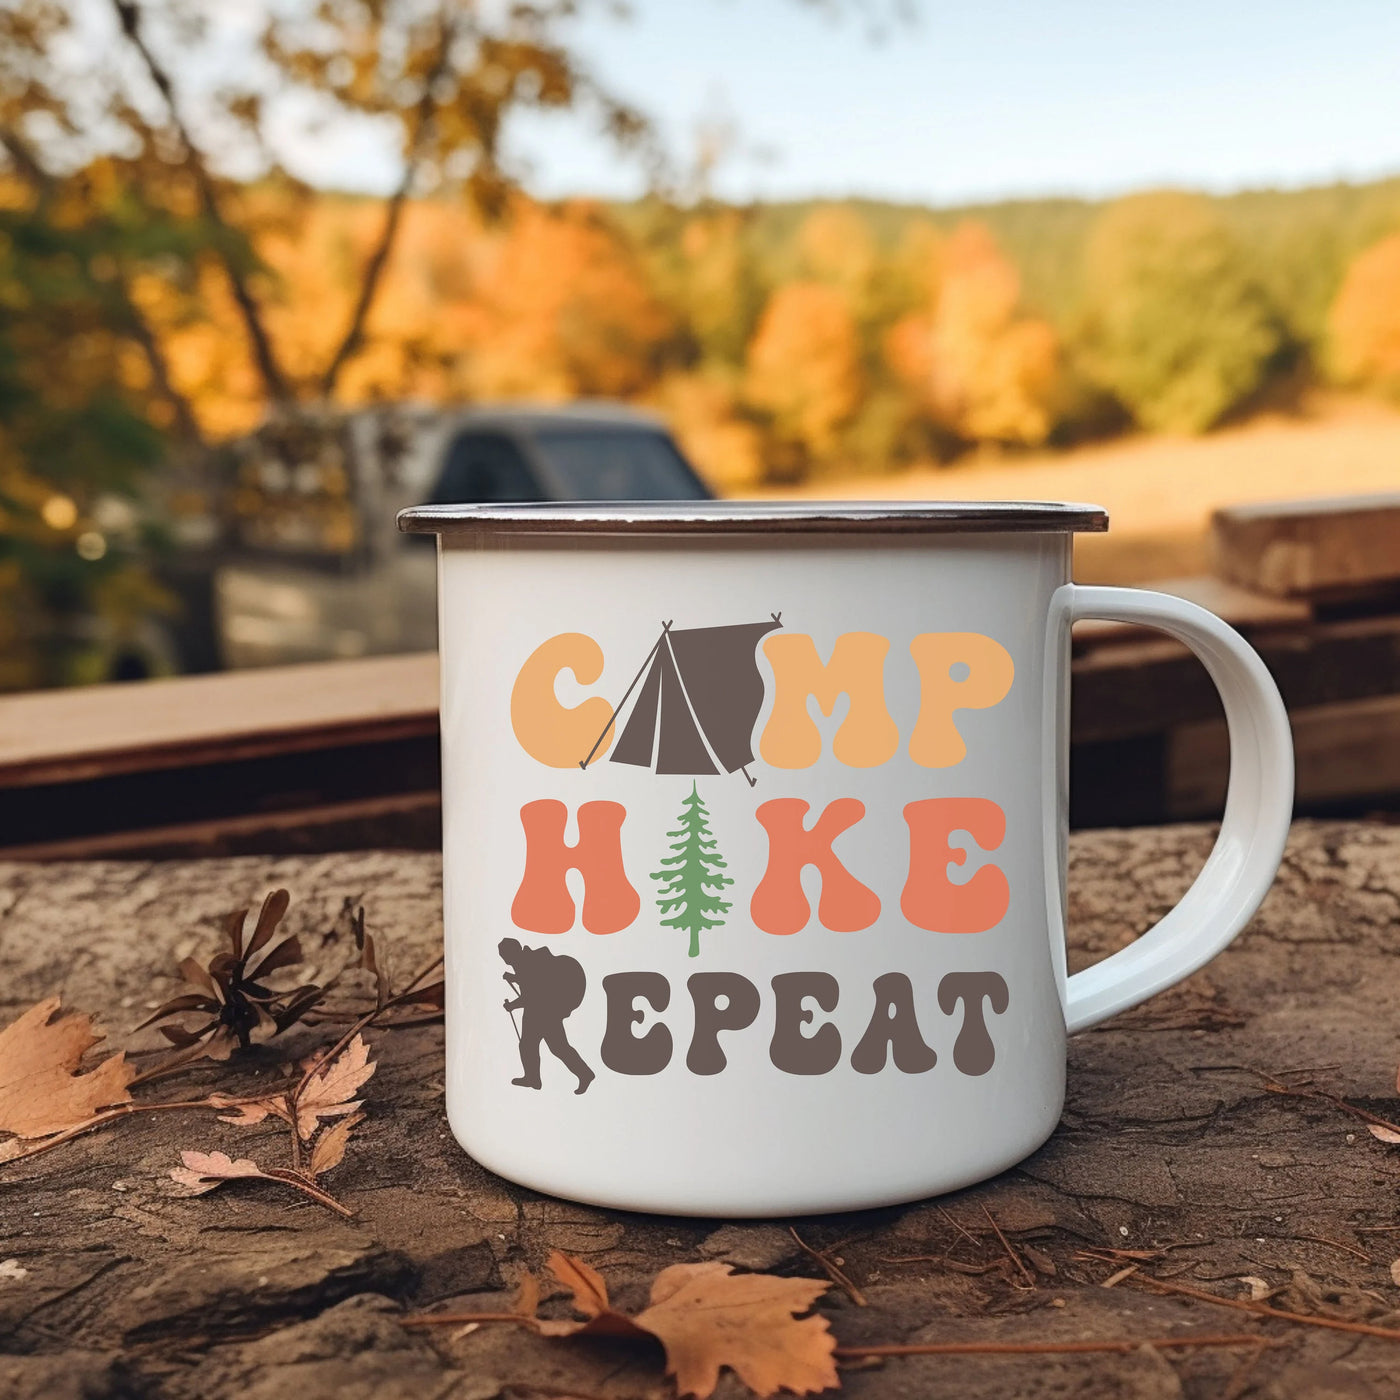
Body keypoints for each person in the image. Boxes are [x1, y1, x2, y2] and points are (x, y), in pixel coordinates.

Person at [498, 937, 594, 1094]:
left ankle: (583, 1074)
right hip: (541, 1011)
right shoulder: (525, 961)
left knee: (555, 1047)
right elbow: (531, 982)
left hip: (542, 1012)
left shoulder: (526, 963)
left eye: (504, 955)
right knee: (535, 1046)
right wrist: (514, 978)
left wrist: (512, 1005)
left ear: (512, 952)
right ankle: (533, 1078)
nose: (504, 959)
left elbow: (532, 994)